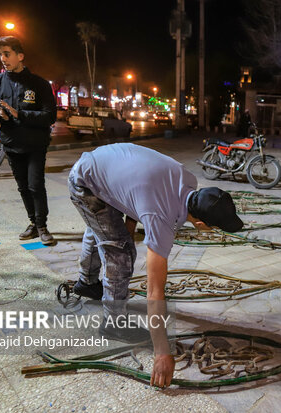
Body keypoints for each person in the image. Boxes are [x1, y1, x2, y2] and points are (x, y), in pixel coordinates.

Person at [68, 142, 243, 388]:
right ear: (202, 224)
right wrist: (162, 351)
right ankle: (113, 322)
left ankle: (86, 282)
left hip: (99, 165)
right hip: (85, 184)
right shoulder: (161, 219)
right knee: (121, 253)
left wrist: (128, 227)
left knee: (102, 229)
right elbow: (155, 292)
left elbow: (139, 194)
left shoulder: (188, 180)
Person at [0, 36, 57, 245]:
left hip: (35, 144)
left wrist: (20, 114)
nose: (3, 59)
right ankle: (33, 223)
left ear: (20, 56)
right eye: (0, 55)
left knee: (35, 185)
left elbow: (49, 116)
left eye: (7, 54)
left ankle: (42, 226)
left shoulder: (39, 84)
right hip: (11, 143)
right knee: (23, 187)